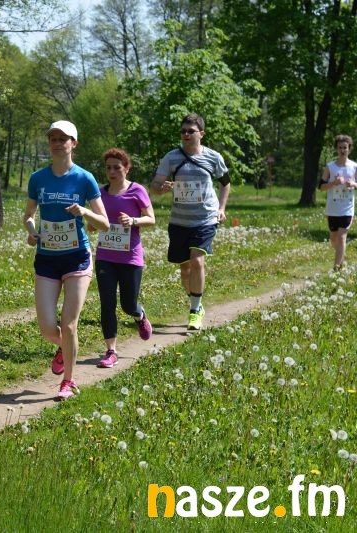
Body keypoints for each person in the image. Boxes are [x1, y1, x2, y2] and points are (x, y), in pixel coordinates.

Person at [23, 120, 109, 400]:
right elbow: (28, 215)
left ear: (74, 143)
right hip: (47, 258)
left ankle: (68, 382)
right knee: (48, 328)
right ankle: (65, 346)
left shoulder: (85, 178)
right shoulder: (38, 178)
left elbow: (105, 223)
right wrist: (32, 231)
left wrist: (84, 212)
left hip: (77, 258)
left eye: (63, 139)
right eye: (53, 139)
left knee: (69, 324)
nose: (58, 143)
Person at [150, 113, 230, 331]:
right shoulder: (171, 157)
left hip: (205, 219)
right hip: (179, 221)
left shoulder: (213, 157)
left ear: (201, 134)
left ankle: (194, 311)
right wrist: (161, 188)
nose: (186, 134)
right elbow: (154, 186)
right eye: (183, 131)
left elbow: (225, 183)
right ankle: (197, 301)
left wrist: (221, 208)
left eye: (190, 131)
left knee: (197, 261)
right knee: (185, 269)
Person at [93, 148, 156, 368]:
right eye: (108, 168)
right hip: (105, 256)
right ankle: (111, 351)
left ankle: (140, 316)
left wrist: (133, 221)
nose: (112, 172)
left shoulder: (137, 190)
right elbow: (95, 222)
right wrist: (92, 224)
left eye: (117, 168)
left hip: (130, 257)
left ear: (126, 168)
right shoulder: (100, 193)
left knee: (128, 305)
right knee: (107, 303)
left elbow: (151, 218)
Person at [318, 134, 357, 270]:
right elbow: (321, 187)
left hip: (347, 208)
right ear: (336, 149)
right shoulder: (330, 167)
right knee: (334, 239)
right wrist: (333, 183)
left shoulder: (354, 166)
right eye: (340, 147)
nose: (342, 150)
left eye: (345, 148)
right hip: (332, 209)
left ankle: (337, 269)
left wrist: (353, 184)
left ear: (349, 149)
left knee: (341, 237)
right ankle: (341, 257)